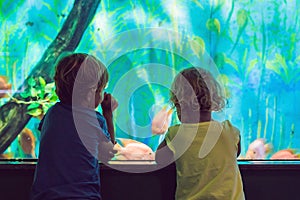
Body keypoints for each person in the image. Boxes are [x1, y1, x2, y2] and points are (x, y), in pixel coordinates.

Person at [31, 53, 118, 200]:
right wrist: (108, 114)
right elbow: (108, 155)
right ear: (92, 91)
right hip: (81, 196)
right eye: (102, 90)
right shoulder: (94, 120)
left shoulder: (52, 114)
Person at [155, 67, 245, 200]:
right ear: (214, 100)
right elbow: (234, 153)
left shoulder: (177, 135)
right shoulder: (229, 132)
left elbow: (159, 159)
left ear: (178, 103)